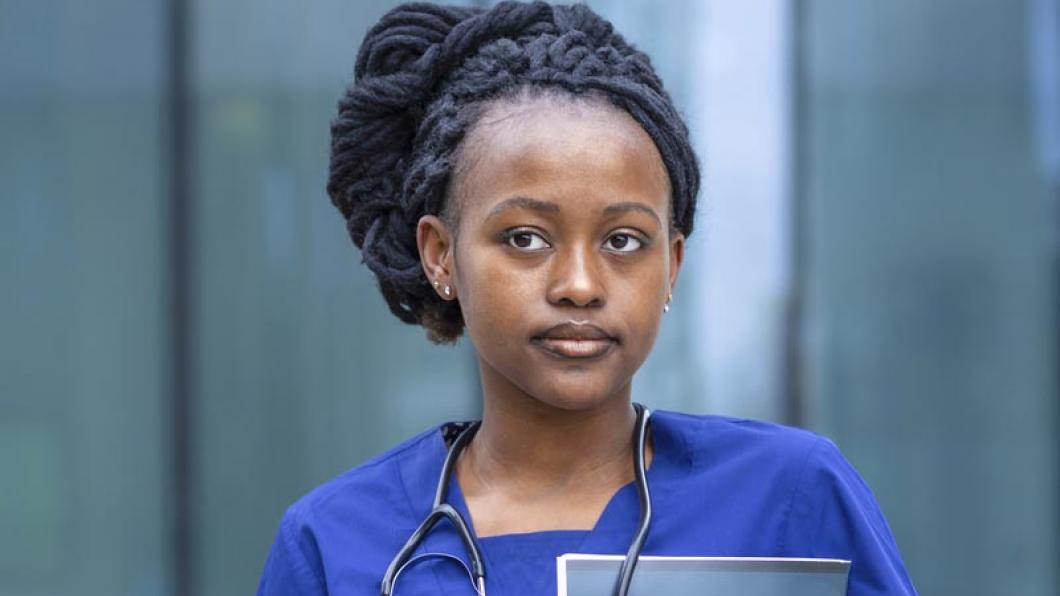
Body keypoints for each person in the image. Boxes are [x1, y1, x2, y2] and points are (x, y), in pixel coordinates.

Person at [257, 2, 918, 594]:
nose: (579, 284)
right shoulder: (332, 543)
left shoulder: (791, 495)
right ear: (441, 256)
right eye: (525, 237)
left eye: (624, 241)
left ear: (672, 266)